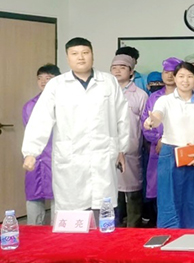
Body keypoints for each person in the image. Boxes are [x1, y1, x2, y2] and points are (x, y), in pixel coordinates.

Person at [22, 38, 129, 216]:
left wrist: (121, 149)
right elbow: (41, 118)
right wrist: (31, 152)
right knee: (72, 213)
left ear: (92, 55)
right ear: (68, 57)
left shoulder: (108, 82)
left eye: (85, 53)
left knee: (103, 209)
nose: (80, 57)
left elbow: (122, 117)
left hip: (102, 155)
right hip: (70, 157)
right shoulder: (56, 85)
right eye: (75, 54)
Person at [144, 61, 194, 229]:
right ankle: (171, 237)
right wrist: (151, 121)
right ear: (175, 78)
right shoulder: (164, 100)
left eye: (190, 76)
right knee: (170, 200)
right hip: (170, 154)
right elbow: (157, 116)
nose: (185, 80)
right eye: (181, 76)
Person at [111, 54, 148, 227]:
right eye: (114, 68)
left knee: (133, 191)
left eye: (122, 67)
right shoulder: (106, 93)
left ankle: (133, 229)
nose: (117, 71)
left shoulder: (140, 95)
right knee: (112, 191)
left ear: (132, 71)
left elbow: (145, 123)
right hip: (109, 148)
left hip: (131, 149)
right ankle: (115, 228)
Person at [21, 63, 61, 225]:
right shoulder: (30, 105)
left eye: (48, 78)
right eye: (40, 78)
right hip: (37, 159)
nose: (43, 81)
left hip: (57, 158)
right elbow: (32, 134)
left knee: (60, 198)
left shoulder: (65, 103)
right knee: (34, 197)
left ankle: (58, 233)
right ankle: (33, 232)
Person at [141, 58, 181, 215]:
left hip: (181, 148)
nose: (169, 76)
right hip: (158, 149)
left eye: (173, 72)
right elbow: (146, 121)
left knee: (179, 188)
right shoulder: (154, 97)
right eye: (166, 72)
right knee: (160, 187)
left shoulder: (187, 96)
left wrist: (168, 140)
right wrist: (158, 139)